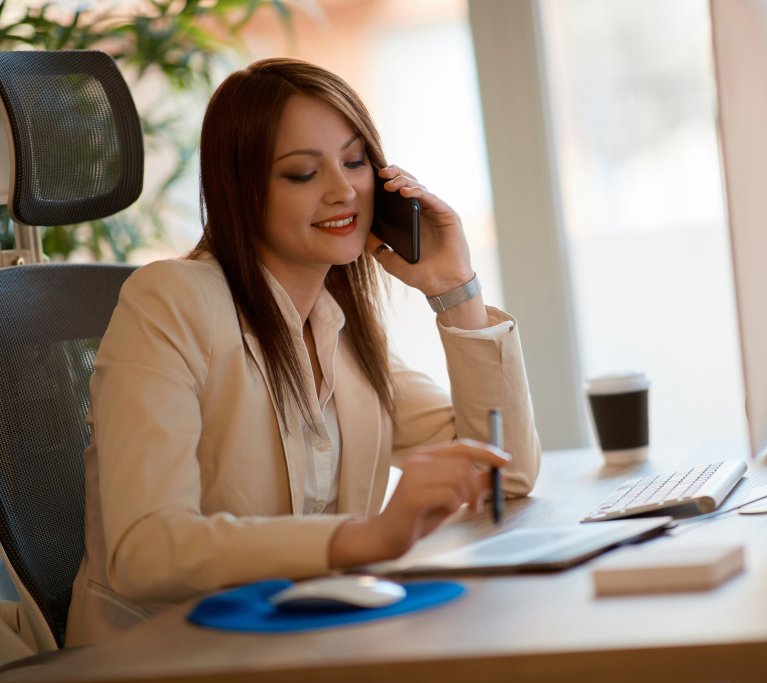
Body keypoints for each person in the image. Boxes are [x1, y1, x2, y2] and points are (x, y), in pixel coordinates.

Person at [66, 57, 542, 646]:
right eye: (301, 174)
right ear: (241, 189)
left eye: (354, 161)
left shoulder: (341, 328)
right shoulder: (171, 301)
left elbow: (504, 475)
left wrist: (455, 290)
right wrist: (365, 538)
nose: (343, 191)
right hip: (166, 656)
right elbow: (146, 551)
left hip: (312, 644)